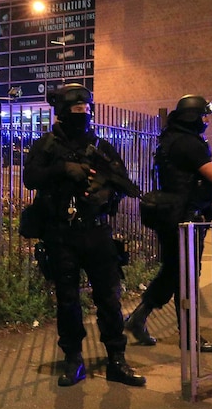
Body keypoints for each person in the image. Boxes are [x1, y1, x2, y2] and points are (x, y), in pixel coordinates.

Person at [23, 83, 146, 388]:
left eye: (86, 110)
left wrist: (103, 191)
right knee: (67, 300)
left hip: (96, 232)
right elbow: (30, 178)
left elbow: (124, 182)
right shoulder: (47, 146)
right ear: (64, 112)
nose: (83, 116)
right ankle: (73, 359)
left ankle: (117, 359)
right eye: (77, 111)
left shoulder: (101, 146)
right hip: (60, 235)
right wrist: (63, 169)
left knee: (108, 298)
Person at [124, 95, 212, 352]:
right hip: (186, 218)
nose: (206, 120)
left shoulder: (170, 139)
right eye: (204, 115)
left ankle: (139, 317)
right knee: (188, 277)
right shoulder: (189, 144)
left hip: (172, 215)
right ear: (193, 117)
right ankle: (189, 334)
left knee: (173, 271)